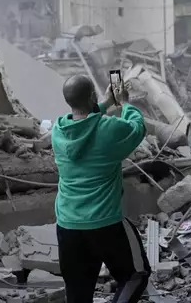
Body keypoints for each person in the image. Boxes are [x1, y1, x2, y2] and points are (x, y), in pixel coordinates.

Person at [52, 75, 150, 303]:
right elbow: (137, 128)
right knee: (135, 275)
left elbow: (85, 120)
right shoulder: (109, 129)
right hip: (105, 222)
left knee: (78, 290)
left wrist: (106, 103)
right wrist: (124, 103)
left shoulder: (58, 130)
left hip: (67, 225)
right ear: (91, 97)